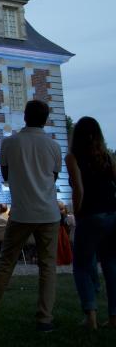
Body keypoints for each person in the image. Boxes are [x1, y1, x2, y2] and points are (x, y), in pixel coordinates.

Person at [0, 100, 62, 332]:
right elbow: (52, 177)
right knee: (47, 266)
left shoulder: (9, 143)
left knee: (6, 261)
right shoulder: (53, 146)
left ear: (25, 117)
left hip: (22, 211)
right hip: (48, 213)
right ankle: (45, 318)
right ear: (45, 119)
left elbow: (5, 174)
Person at [65, 116, 116, 329]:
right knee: (111, 265)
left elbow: (79, 189)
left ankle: (91, 316)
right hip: (112, 214)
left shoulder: (73, 157)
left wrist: (77, 213)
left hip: (90, 215)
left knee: (82, 267)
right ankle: (114, 317)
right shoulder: (107, 157)